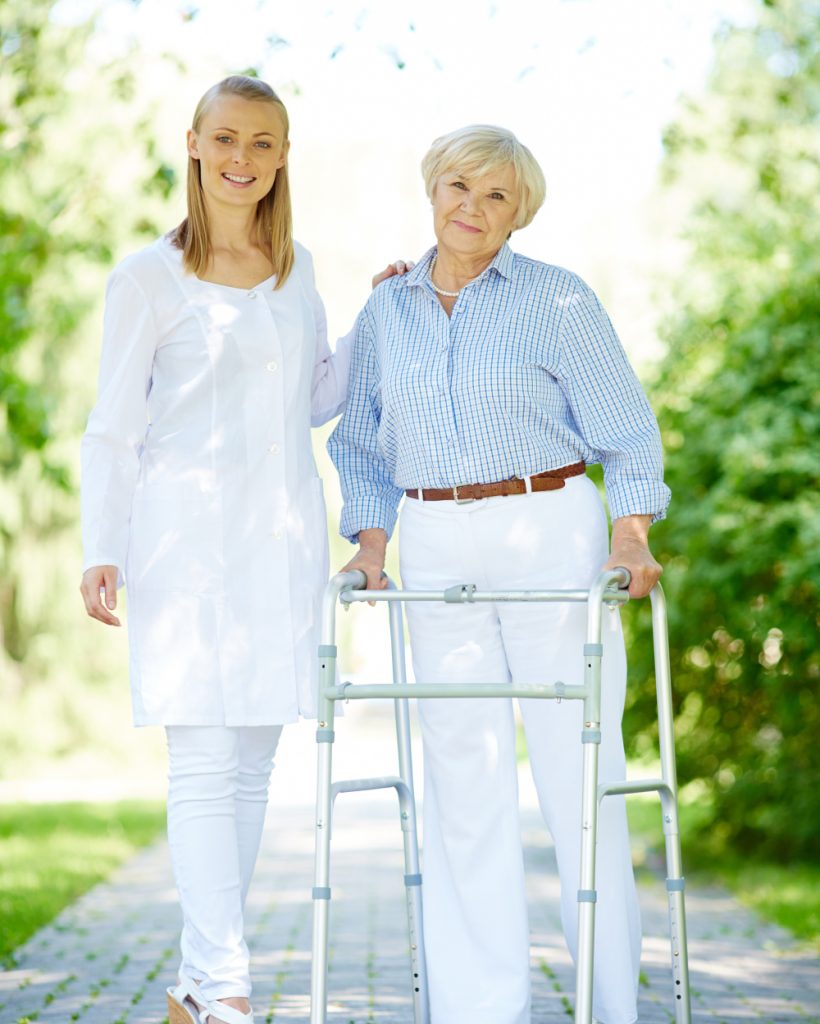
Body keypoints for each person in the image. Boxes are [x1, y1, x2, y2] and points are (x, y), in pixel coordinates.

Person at [79, 75, 407, 1024]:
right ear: (192, 145)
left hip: (281, 539)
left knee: (256, 761)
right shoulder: (147, 277)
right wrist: (103, 544)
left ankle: (192, 986)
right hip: (182, 541)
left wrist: (373, 322)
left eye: (263, 143)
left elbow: (310, 398)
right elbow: (112, 427)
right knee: (202, 759)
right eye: (226, 139)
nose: (242, 159)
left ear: (282, 155)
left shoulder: (294, 265)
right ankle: (227, 988)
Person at [327, 124, 671, 1024]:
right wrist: (371, 547)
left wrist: (630, 538)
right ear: (430, 189)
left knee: (579, 774)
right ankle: (482, 1010)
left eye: (496, 197)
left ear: (521, 213)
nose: (471, 209)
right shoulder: (386, 310)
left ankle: (610, 1008)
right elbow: (359, 442)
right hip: (434, 535)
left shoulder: (558, 300)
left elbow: (627, 433)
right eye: (458, 187)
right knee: (464, 785)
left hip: (549, 527)